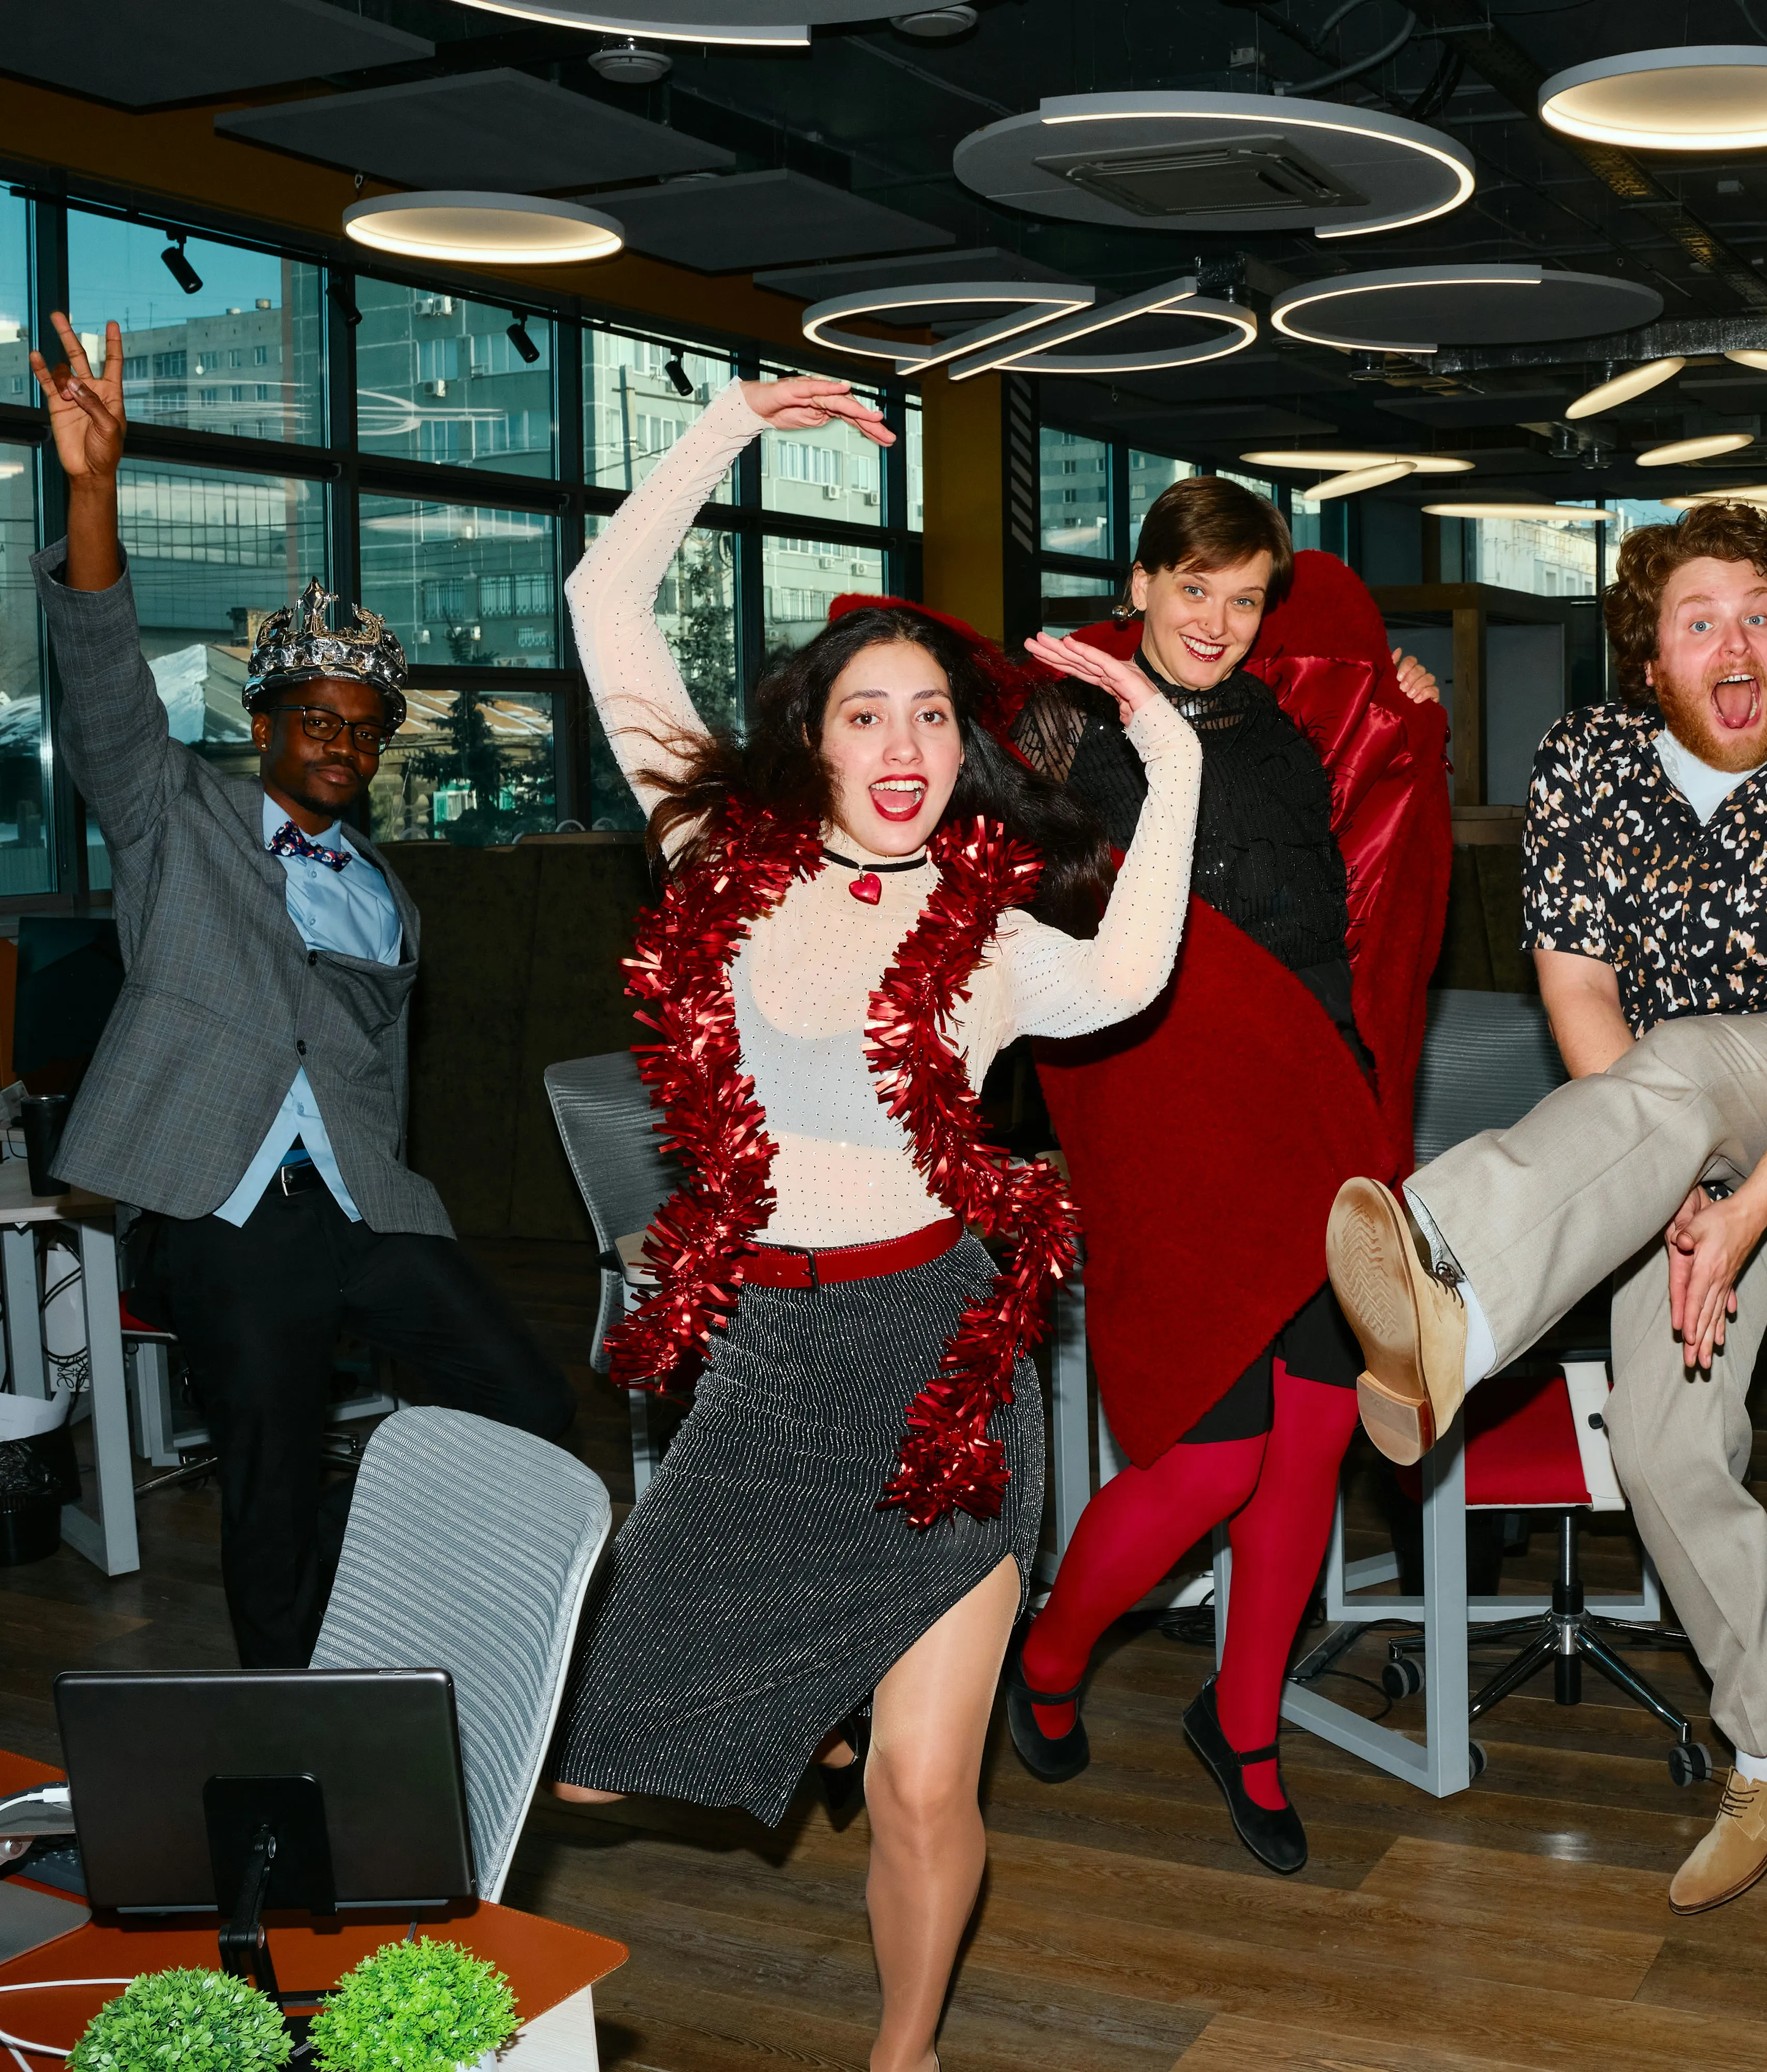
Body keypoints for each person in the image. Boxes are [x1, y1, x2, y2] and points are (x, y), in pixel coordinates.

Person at [546, 369, 1197, 2072]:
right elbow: (604, 602)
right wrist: (730, 431)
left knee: (924, 1785)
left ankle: (900, 2058)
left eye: (928, 719)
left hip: (941, 1362)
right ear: (812, 737)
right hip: (767, 1359)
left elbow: (1132, 965)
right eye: (865, 717)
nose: (902, 751)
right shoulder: (718, 858)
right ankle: (810, 1700)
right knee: (595, 1745)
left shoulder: (987, 935)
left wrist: (1169, 736)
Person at [1325, 499, 1767, 1915]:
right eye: (1698, 620)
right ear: (1651, 661)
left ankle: (1455, 1283)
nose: (1733, 640)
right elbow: (1577, 991)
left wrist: (1733, 1214)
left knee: (1681, 1070)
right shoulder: (1588, 763)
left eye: (1757, 614)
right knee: (1664, 1437)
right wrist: (1677, 1199)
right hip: (1672, 1134)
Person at [23, 313, 574, 1669]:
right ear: (265, 726)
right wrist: (93, 488)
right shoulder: (177, 818)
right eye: (314, 720)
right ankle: (292, 1715)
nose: (338, 744)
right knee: (272, 1474)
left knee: (526, 1403)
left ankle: (427, 1599)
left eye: (362, 727)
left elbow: (369, 1072)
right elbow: (100, 682)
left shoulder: (387, 892)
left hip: (369, 1212)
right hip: (221, 1206)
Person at [998, 480, 1450, 1877]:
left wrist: (1407, 711)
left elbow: (1360, 878)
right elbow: (1021, 907)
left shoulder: (1285, 727)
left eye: (1246, 596)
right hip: (1166, 1103)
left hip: (1316, 1095)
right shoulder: (1062, 718)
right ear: (1137, 585)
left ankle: (1243, 1719)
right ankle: (1054, 1650)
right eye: (1193, 587)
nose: (1217, 620)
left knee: (1313, 1430)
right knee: (1208, 1452)